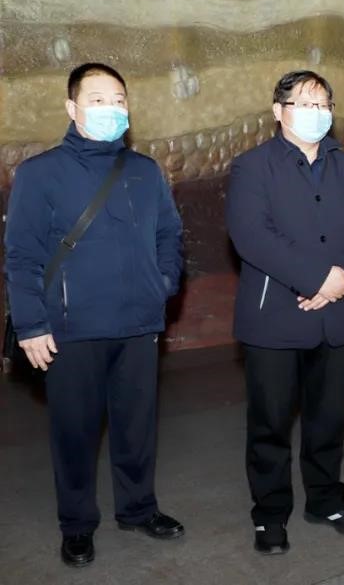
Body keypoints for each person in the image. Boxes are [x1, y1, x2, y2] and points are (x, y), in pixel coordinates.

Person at [4, 63, 184, 567]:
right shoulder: (40, 173)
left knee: (136, 428)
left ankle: (138, 509)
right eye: (98, 99)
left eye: (119, 100)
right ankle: (78, 524)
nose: (111, 108)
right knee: (74, 432)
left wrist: (162, 285)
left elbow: (169, 234)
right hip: (71, 328)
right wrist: (31, 324)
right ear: (73, 107)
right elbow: (21, 254)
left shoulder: (144, 171)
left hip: (138, 325)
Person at [226, 70, 344, 555]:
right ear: (279, 111)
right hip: (275, 316)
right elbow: (252, 236)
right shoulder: (253, 167)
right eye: (304, 103)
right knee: (270, 423)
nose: (317, 113)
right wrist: (318, 279)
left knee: (328, 418)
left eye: (324, 104)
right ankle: (270, 513)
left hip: (338, 314)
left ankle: (326, 499)